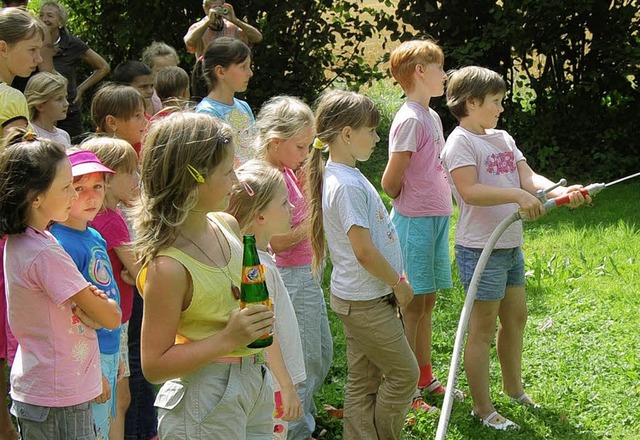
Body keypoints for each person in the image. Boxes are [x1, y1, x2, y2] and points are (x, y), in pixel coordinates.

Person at [440, 66, 589, 431]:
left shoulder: (502, 138)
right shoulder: (460, 142)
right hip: (480, 249)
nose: (501, 109)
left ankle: (513, 388)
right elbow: (470, 190)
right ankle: (482, 407)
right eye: (495, 102)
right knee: (483, 328)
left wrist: (560, 192)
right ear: (471, 103)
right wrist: (517, 196)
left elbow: (529, 177)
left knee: (516, 318)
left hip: (509, 245)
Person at [134, 112, 275, 439]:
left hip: (254, 379)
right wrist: (228, 339)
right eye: (228, 172)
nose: (237, 182)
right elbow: (154, 364)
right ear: (193, 178)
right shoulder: (168, 267)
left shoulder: (227, 225)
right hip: (203, 396)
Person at [305, 89, 419, 440]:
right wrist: (397, 283)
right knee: (405, 375)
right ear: (347, 135)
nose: (377, 137)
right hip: (366, 302)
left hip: (358, 298)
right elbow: (364, 251)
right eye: (371, 130)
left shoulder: (345, 175)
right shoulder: (346, 184)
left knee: (363, 379)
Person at [0, 128, 121, 440]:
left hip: (48, 389)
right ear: (37, 197)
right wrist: (98, 306)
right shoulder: (45, 253)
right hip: (59, 398)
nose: (75, 195)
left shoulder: (26, 241)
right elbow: (110, 317)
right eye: (68, 187)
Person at [381, 40, 459, 410]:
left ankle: (426, 377)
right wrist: (409, 199)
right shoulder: (410, 118)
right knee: (412, 306)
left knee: (427, 302)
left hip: (436, 219)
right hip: (413, 222)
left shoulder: (432, 116)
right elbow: (390, 181)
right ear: (419, 72)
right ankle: (407, 387)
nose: (445, 75)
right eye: (439, 68)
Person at [254, 95, 333, 439]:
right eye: (301, 147)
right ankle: (296, 430)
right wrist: (316, 221)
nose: (306, 155)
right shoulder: (268, 180)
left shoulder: (287, 171)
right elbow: (277, 241)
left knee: (322, 353)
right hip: (290, 276)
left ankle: (307, 419)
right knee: (302, 360)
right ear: (275, 142)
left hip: (305, 273)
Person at [227, 159, 305, 439]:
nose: (293, 208)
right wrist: (286, 385)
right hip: (271, 386)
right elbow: (263, 330)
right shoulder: (257, 269)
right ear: (260, 216)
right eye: (284, 203)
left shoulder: (257, 259)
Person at [50, 149, 123, 440]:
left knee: (103, 429)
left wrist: (114, 354)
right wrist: (94, 371)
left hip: (108, 346)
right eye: (79, 189)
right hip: (86, 357)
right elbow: (70, 315)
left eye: (98, 187)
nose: (90, 197)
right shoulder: (61, 243)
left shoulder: (93, 234)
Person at [82, 137, 140, 440]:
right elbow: (141, 271)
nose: (137, 178)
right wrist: (137, 275)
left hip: (106, 318)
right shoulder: (113, 220)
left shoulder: (95, 217)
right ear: (108, 176)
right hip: (114, 322)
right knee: (119, 395)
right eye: (130, 172)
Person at [39, 1, 110, 140]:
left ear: (61, 22)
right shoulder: (33, 43)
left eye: (50, 16)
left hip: (68, 111)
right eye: (41, 15)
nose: (44, 19)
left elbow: (103, 67)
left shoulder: (72, 44)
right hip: (40, 111)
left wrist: (80, 89)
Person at [195, 37, 256, 165]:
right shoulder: (207, 113)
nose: (250, 73)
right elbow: (216, 161)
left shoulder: (244, 106)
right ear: (220, 71)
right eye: (243, 67)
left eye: (249, 66)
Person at [0, 7, 43, 138]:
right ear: (3, 48)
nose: (39, 59)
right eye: (32, 50)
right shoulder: (10, 98)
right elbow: (19, 157)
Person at [184, 0, 262, 59]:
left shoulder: (232, 27)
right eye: (215, 7)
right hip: (207, 74)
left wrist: (235, 20)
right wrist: (208, 22)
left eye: (220, 7)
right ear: (206, 9)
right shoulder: (198, 28)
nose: (218, 10)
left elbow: (257, 38)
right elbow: (189, 42)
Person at [91, 83, 147, 156]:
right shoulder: (104, 158)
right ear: (112, 122)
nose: (146, 121)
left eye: (144, 114)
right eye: (137, 115)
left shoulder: (141, 147)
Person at [24, 71, 71, 147]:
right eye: (59, 99)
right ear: (40, 105)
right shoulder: (30, 134)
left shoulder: (64, 135)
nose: (66, 103)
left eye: (66, 97)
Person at [141, 41, 181, 114]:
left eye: (173, 69)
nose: (169, 75)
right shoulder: (148, 98)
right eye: (161, 71)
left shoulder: (182, 92)